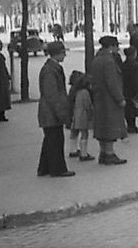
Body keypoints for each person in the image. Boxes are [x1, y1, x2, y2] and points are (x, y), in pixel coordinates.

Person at [37, 41, 75, 177]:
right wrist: (61, 113)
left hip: (49, 112)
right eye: (63, 53)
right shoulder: (50, 70)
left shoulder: (52, 68)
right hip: (50, 113)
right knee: (55, 141)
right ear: (57, 54)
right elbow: (51, 95)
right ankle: (58, 169)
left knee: (50, 140)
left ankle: (44, 168)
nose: (64, 55)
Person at [91, 35, 128, 165]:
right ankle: (109, 153)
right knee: (110, 127)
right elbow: (112, 82)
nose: (118, 48)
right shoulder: (109, 61)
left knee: (102, 127)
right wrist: (120, 99)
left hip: (99, 98)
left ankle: (103, 153)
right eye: (116, 45)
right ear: (111, 46)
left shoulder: (97, 59)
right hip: (109, 100)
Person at [67, 71, 94, 161]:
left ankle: (73, 150)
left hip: (75, 114)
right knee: (84, 133)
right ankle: (84, 153)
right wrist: (91, 114)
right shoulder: (85, 93)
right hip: (83, 115)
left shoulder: (73, 91)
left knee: (74, 132)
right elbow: (88, 105)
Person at [122, 46, 138, 134]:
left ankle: (130, 125)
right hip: (132, 90)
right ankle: (132, 126)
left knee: (128, 108)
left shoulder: (124, 65)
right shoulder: (134, 65)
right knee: (134, 108)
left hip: (125, 88)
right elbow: (136, 79)